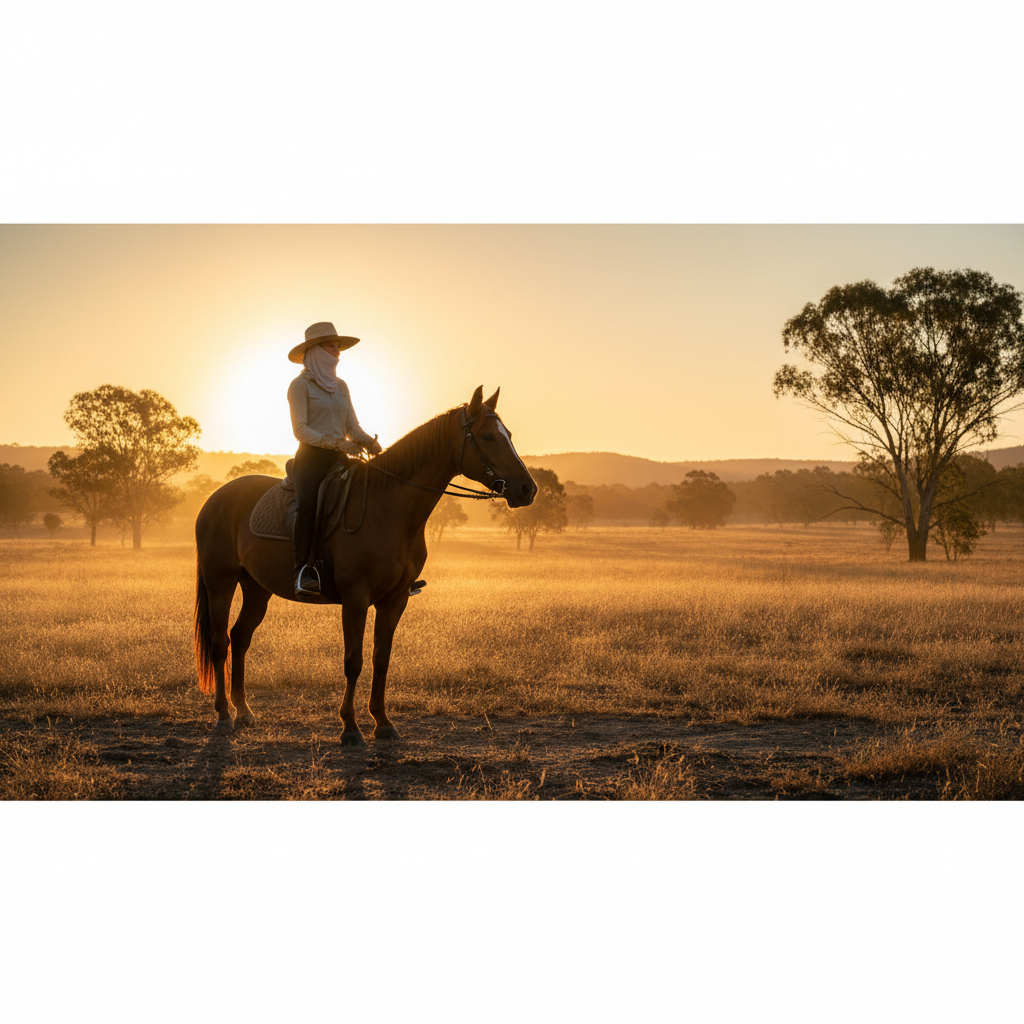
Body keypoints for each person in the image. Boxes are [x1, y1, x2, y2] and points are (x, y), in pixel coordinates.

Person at [287, 322, 382, 597]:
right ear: (316, 350)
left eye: (338, 346)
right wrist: (339, 443)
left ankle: (387, 569)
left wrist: (370, 443)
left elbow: (352, 425)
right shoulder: (299, 386)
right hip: (311, 460)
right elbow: (300, 429)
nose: (338, 351)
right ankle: (303, 571)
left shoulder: (341, 386)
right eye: (332, 346)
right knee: (308, 506)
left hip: (341, 458)